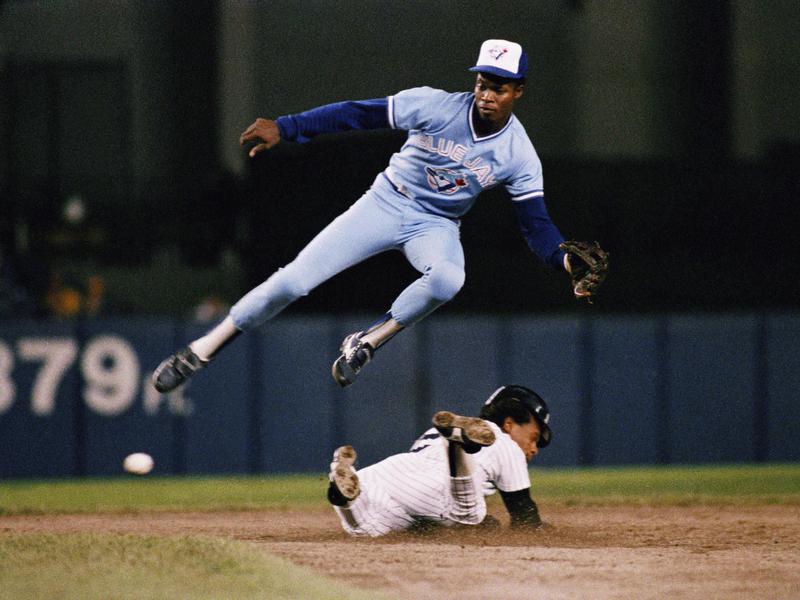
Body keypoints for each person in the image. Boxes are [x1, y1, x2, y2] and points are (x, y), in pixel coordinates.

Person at [152, 39, 607, 393]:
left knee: (449, 278)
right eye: (482, 82)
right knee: (293, 282)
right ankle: (200, 351)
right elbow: (357, 115)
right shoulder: (434, 105)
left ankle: (366, 343)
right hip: (386, 202)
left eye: (499, 86)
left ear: (518, 91)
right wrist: (286, 127)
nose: (487, 94)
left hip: (436, 224)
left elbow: (536, 224)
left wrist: (563, 262)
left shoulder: (519, 154)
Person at [327, 384, 552, 537]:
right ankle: (456, 442)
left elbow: (421, 509)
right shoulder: (504, 442)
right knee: (469, 517)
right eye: (534, 438)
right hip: (442, 484)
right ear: (509, 424)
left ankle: (342, 482)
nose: (534, 449)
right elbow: (525, 518)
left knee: (366, 529)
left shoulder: (429, 434)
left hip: (389, 473)